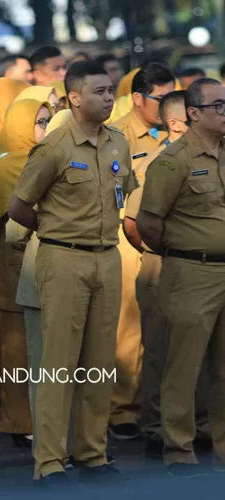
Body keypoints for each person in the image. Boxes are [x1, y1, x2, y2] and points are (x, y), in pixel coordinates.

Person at [8, 61, 137, 483]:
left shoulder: (118, 143)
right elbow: (19, 207)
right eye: (99, 91)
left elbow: (127, 192)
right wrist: (54, 230)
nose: (107, 98)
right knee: (59, 364)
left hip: (107, 255)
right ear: (74, 98)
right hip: (63, 257)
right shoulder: (55, 147)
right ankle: (49, 461)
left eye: (110, 90)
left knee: (101, 361)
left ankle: (92, 454)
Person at [136, 78, 225, 477]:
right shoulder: (173, 162)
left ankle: (220, 442)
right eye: (218, 106)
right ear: (193, 113)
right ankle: (178, 446)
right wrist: (180, 250)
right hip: (191, 269)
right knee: (183, 363)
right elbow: (148, 223)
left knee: (223, 366)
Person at [122, 91, 209, 459]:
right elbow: (134, 222)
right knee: (161, 348)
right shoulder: (161, 162)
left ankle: (199, 422)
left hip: (201, 269)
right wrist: (164, 252)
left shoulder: (209, 158)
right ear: (178, 122)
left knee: (202, 350)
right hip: (164, 264)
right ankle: (156, 427)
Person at [0, 98, 53, 448]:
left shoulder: (53, 160)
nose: (45, 129)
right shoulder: (2, 167)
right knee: (17, 349)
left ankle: (50, 418)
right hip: (13, 264)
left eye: (48, 121)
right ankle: (20, 421)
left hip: (51, 260)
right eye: (38, 122)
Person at [107, 62, 175, 442]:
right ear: (138, 99)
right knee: (128, 331)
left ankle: (159, 407)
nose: (168, 109)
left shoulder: (174, 132)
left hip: (163, 240)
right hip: (125, 236)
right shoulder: (118, 136)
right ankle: (122, 409)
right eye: (160, 99)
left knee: (164, 332)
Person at [5, 108, 74, 455]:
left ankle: (51, 447)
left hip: (43, 272)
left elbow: (14, 230)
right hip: (70, 277)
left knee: (46, 366)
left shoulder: (41, 161)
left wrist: (46, 228)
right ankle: (75, 445)